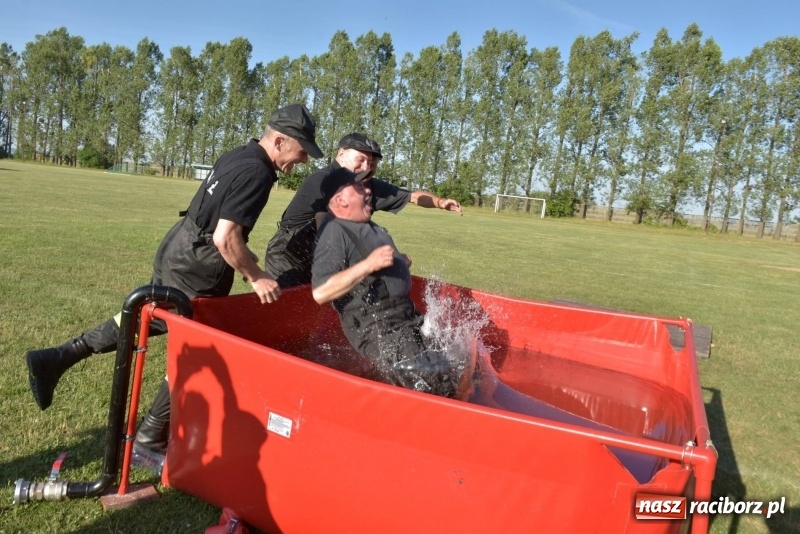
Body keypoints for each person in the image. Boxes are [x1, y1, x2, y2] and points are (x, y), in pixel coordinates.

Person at [25, 103, 323, 459]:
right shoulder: (257, 172)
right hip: (200, 266)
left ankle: (57, 358)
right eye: (301, 151)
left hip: (178, 246)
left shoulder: (239, 154)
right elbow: (225, 237)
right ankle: (150, 437)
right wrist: (256, 276)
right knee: (197, 351)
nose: (302, 161)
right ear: (278, 141)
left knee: (143, 319)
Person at [311, 169, 473, 399]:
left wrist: (399, 264)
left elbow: (378, 268)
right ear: (340, 200)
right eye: (359, 188)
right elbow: (320, 292)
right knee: (436, 388)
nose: (368, 190)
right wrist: (368, 265)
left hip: (408, 321)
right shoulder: (335, 231)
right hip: (383, 331)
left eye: (367, 185)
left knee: (459, 361)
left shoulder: (371, 227)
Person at [265, 132, 463, 288]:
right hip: (289, 253)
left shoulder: (366, 184)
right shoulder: (322, 180)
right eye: (360, 159)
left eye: (372, 163)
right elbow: (328, 230)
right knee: (288, 309)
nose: (366, 167)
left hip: (318, 254)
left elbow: (411, 196)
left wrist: (441, 202)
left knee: (318, 310)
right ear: (341, 154)